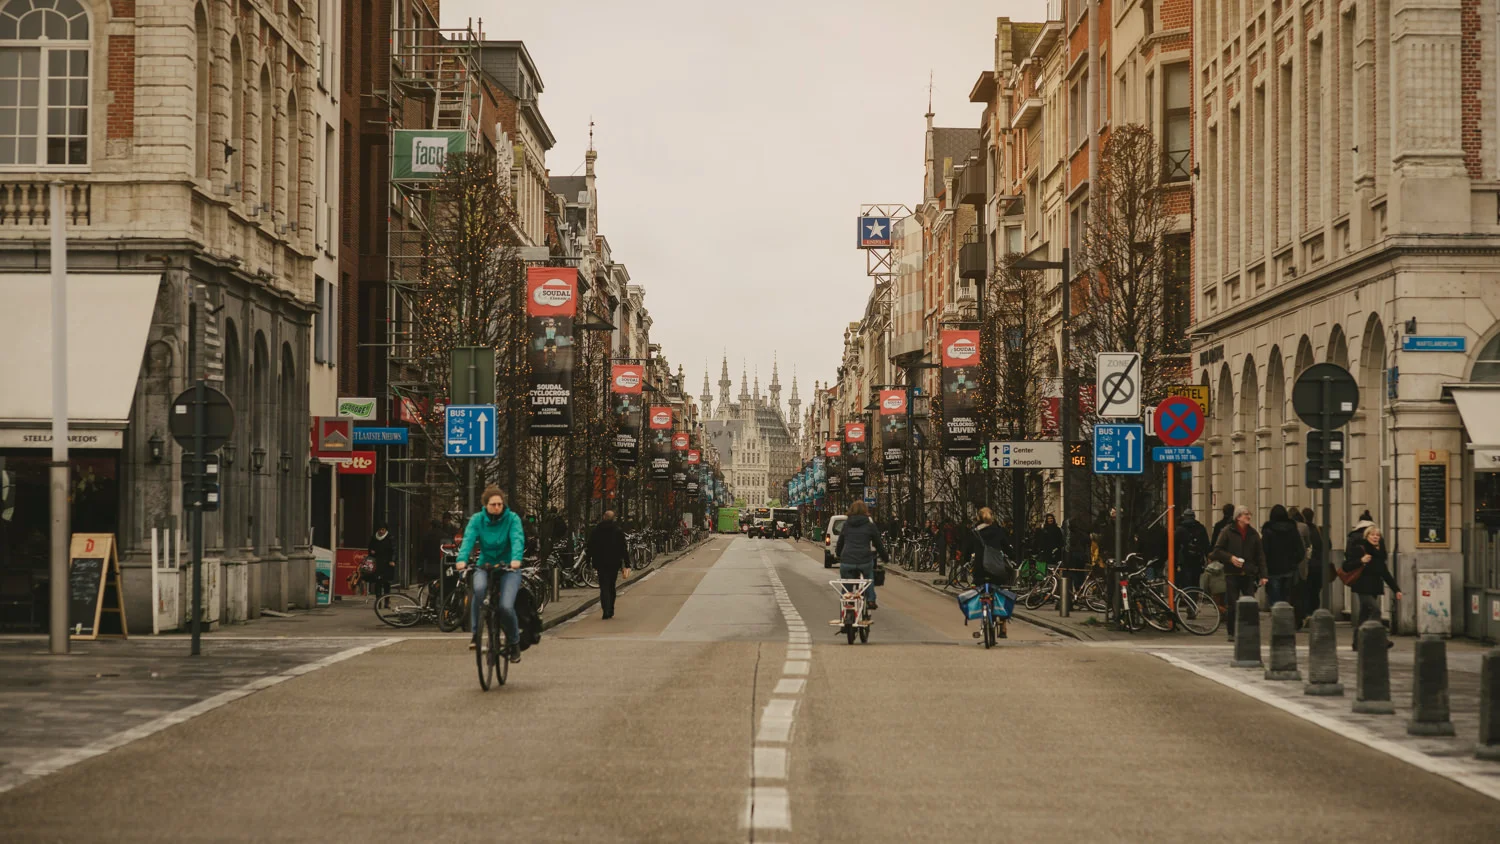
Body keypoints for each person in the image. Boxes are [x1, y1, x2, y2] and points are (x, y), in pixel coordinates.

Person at [455, 486, 526, 663]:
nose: (496, 507)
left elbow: (517, 538)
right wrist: (462, 559)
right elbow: (469, 539)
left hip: (508, 567)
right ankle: (475, 634)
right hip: (485, 565)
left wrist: (516, 559)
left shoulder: (512, 519)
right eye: (493, 504)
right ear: (485, 505)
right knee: (478, 590)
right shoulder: (477, 520)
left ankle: (514, 642)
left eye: (500, 504)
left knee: (506, 606)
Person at [1208, 505, 1267, 641]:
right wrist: (1231, 558)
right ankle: (1232, 632)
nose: (1249, 517)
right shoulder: (1228, 531)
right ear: (1238, 517)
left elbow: (1260, 555)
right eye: (1246, 514)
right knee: (1233, 605)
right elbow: (1216, 551)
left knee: (1250, 604)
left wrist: (1263, 575)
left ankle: (1250, 631)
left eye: (1249, 514)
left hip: (1248, 573)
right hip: (1232, 574)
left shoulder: (1253, 533)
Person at [1343, 522, 1402, 650]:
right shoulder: (1360, 549)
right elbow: (1346, 566)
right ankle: (1380, 639)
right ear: (1367, 536)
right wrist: (1361, 560)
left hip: (1374, 587)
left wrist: (1396, 589)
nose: (1375, 537)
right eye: (1372, 535)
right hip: (1362, 587)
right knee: (1375, 610)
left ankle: (1357, 643)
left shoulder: (1380, 553)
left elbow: (1385, 573)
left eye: (1378, 535)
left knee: (1364, 615)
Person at [966, 507, 1014, 638]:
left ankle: (982, 613)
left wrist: (964, 561)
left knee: (980, 591)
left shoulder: (975, 532)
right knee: (1000, 592)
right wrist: (1013, 557)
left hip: (980, 570)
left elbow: (967, 549)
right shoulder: (998, 531)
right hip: (996, 569)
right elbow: (1007, 547)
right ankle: (1003, 625)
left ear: (979, 518)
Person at [835, 500, 888, 611]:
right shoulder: (870, 526)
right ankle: (871, 600)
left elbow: (840, 543)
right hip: (864, 560)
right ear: (865, 511)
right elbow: (878, 544)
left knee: (847, 584)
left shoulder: (846, 525)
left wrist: (838, 554)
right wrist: (885, 557)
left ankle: (845, 607)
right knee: (869, 577)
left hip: (847, 560)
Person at [586, 510, 630, 620]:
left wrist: (588, 561)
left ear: (604, 517)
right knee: (611, 586)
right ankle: (610, 608)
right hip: (614, 562)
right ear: (613, 518)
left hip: (600, 562)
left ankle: (606, 609)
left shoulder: (596, 531)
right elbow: (623, 548)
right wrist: (627, 563)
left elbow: (590, 547)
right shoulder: (617, 531)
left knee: (604, 586)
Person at [1261, 504, 1303, 608]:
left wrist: (1264, 568)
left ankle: (1278, 621)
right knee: (1288, 600)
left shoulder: (1268, 531)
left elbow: (1263, 552)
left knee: (1275, 602)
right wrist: (1293, 563)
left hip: (1273, 570)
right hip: (1289, 570)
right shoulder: (1292, 529)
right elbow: (1300, 550)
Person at [1173, 509, 1210, 590]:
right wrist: (1207, 558)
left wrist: (1174, 564)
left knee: (1185, 583)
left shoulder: (1180, 529)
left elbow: (1174, 547)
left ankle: (1187, 599)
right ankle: (1194, 598)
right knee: (1195, 582)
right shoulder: (1200, 528)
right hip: (1197, 560)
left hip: (1184, 561)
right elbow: (1206, 545)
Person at [1301, 507, 1325, 621]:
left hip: (1307, 565)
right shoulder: (1319, 530)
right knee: (1315, 592)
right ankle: (1315, 613)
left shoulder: (1303, 530)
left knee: (1306, 591)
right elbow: (1328, 545)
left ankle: (1307, 614)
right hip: (1319, 566)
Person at [366, 524, 396, 599]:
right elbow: (370, 548)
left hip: (387, 562)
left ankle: (386, 601)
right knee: (378, 581)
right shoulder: (374, 538)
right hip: (377, 562)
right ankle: (378, 600)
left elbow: (394, 550)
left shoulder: (390, 538)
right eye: (380, 529)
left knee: (386, 582)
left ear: (386, 530)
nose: (381, 531)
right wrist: (371, 552)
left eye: (383, 530)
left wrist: (392, 560)